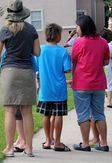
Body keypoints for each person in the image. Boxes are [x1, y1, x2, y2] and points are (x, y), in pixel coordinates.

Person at [0, 0, 40, 157]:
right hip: (27, 72)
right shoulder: (31, 30)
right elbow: (37, 53)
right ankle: (29, 148)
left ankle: (10, 148)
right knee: (27, 112)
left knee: (9, 111)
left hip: (9, 72)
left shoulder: (4, 30)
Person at [71, 15, 109, 152]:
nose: (76, 29)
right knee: (99, 114)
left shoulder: (78, 42)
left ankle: (86, 144)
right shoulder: (103, 42)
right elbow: (106, 62)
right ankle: (103, 144)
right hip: (98, 83)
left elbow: (74, 62)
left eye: (77, 26)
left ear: (82, 27)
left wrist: (74, 77)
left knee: (83, 115)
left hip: (82, 83)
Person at [36, 23, 72, 152]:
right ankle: (57, 142)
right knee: (58, 115)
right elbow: (67, 69)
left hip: (45, 90)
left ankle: (47, 140)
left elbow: (36, 68)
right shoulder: (62, 51)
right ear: (57, 36)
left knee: (46, 115)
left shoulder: (40, 50)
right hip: (59, 89)